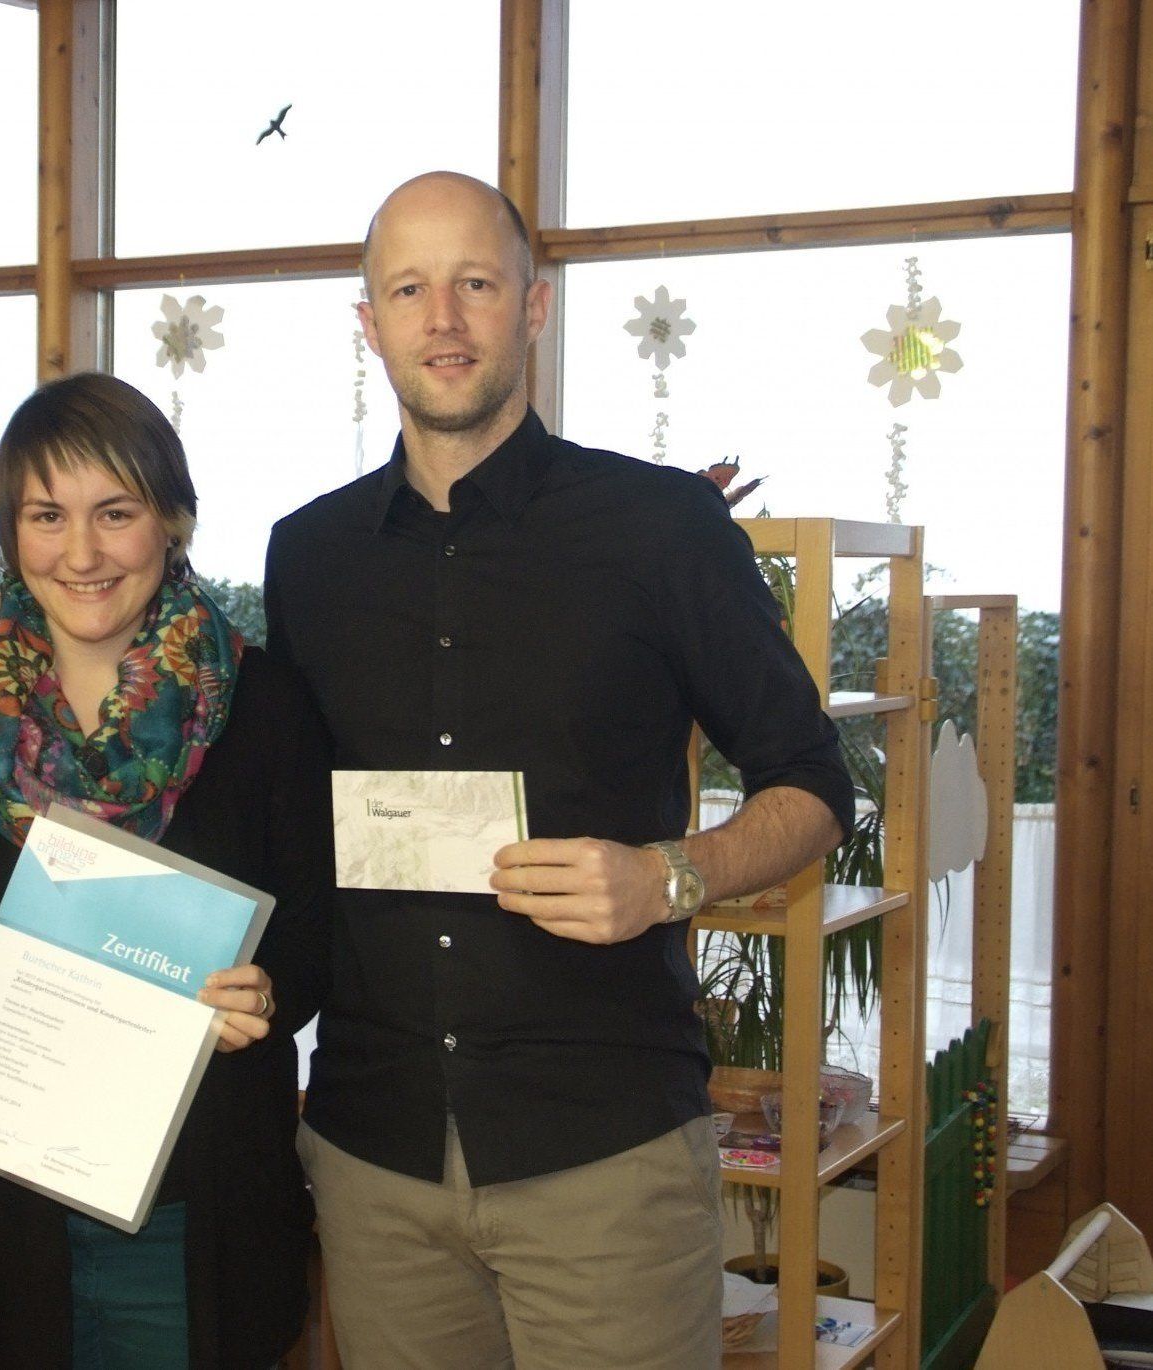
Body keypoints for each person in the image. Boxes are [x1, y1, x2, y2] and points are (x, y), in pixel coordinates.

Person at [262, 171, 856, 1370]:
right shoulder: (307, 555)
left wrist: (668, 877)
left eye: (474, 283)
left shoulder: (658, 529)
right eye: (409, 288)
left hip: (602, 1153)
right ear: (364, 321)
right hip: (376, 1157)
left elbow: (811, 782)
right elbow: (290, 825)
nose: (442, 318)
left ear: (531, 306)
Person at [0, 371, 331, 1369]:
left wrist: (268, 987)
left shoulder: (264, 708)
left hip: (192, 1209)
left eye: (113, 512)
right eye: (46, 514)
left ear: (169, 521)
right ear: (9, 530)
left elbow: (313, 928)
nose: (80, 553)